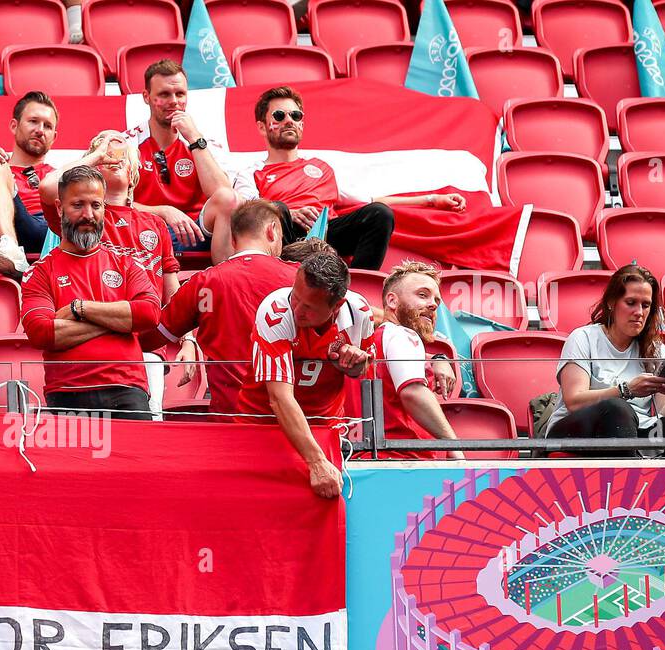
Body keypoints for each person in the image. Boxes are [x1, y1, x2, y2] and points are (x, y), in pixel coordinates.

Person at [236, 87, 466, 271]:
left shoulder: (322, 169)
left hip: (324, 236)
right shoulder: (251, 172)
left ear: (302, 123)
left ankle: (356, 289)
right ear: (262, 127)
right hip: (283, 237)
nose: (289, 120)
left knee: (379, 213)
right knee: (276, 209)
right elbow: (247, 214)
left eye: (295, 115)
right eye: (279, 115)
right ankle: (283, 273)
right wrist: (289, 213)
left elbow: (371, 199)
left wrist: (433, 199)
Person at [20, 166, 161, 419]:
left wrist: (80, 309)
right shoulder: (40, 271)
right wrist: (120, 322)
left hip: (127, 392)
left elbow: (149, 314)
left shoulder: (127, 263)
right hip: (68, 393)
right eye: (78, 205)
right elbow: (41, 331)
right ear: (60, 208)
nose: (88, 214)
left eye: (96, 205)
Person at [138, 199, 296, 418]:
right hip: (291, 416)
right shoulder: (298, 279)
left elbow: (152, 337)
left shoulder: (204, 282)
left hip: (230, 415)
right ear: (273, 230)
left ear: (232, 239)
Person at [235, 252, 372, 498]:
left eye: (308, 307)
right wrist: (316, 462)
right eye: (295, 297)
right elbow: (280, 399)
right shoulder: (275, 312)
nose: (297, 309)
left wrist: (352, 363)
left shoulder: (360, 311)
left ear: (337, 306)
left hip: (326, 426)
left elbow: (360, 371)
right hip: (262, 425)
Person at [544, 264, 665, 455]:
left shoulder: (655, 349)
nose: (639, 312)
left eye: (646, 305)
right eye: (631, 302)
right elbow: (574, 401)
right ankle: (630, 481)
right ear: (612, 302)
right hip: (574, 432)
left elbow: (663, 414)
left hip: (639, 431)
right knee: (617, 409)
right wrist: (626, 390)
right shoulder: (583, 338)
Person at [38, 130, 180, 305]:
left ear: (131, 174)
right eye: (106, 155)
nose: (113, 159)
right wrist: (95, 157)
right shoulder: (84, 217)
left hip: (147, 323)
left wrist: (180, 331)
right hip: (98, 321)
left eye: (122, 156)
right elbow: (47, 186)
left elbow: (171, 292)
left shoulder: (155, 224)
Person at [131, 60, 239, 263]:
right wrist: (163, 211)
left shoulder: (204, 142)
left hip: (196, 232)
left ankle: (226, 281)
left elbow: (224, 196)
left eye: (180, 94)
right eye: (164, 94)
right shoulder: (127, 144)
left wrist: (194, 141)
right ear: (146, 97)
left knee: (229, 199)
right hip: (143, 232)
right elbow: (110, 202)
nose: (174, 101)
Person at [363, 261, 464, 460]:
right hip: (405, 460)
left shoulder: (369, 341)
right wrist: (455, 447)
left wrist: (437, 358)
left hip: (371, 457)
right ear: (392, 301)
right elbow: (412, 392)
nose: (433, 304)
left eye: (436, 300)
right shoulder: (403, 335)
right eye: (422, 295)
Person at [0, 91, 59, 275]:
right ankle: (9, 248)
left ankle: (12, 253)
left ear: (54, 137)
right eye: (33, 121)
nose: (40, 130)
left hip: (52, 232)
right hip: (11, 231)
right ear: (14, 126)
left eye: (47, 126)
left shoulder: (59, 175)